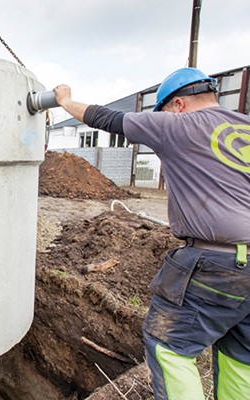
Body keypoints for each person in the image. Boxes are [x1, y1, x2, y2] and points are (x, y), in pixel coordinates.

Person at [53, 67, 250, 400]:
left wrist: (65, 100)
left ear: (177, 105)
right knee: (240, 355)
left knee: (170, 347)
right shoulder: (244, 127)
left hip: (214, 261)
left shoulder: (178, 125)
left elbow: (107, 118)